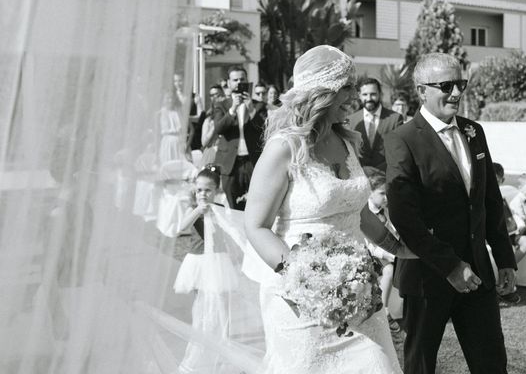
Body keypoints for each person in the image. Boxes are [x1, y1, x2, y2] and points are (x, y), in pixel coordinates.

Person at [244, 45, 406, 374]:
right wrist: (307, 281)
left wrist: (398, 248)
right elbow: (256, 226)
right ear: (323, 91)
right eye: (347, 86)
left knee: (379, 366)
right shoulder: (283, 148)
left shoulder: (346, 142)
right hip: (301, 303)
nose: (354, 95)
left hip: (359, 295)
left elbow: (358, 213)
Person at [385, 53, 517, 374]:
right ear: (421, 91)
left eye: (461, 83)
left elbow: (489, 200)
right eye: (447, 85)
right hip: (428, 277)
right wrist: (451, 267)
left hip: (478, 275)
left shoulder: (474, 131)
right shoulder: (402, 139)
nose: (457, 92)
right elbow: (405, 219)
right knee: (420, 365)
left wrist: (504, 258)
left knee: (492, 364)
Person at [170, 166, 243, 374]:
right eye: (199, 190)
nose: (203, 194)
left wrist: (235, 256)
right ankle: (199, 335)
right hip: (198, 261)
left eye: (208, 190)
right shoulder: (193, 208)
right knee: (199, 302)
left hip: (218, 260)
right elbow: (182, 227)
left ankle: (225, 342)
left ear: (216, 191)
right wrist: (197, 210)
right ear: (195, 191)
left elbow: (230, 231)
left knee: (221, 301)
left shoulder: (219, 207)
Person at [212, 66, 268, 210]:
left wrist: (252, 110)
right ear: (229, 83)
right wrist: (232, 110)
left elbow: (266, 130)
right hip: (230, 164)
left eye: (241, 79)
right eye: (235, 80)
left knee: (256, 206)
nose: (238, 82)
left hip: (252, 162)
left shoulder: (259, 105)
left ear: (247, 81)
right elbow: (218, 129)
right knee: (232, 207)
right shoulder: (221, 105)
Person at [360, 166, 405, 331]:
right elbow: (369, 244)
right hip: (372, 252)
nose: (386, 198)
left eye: (387, 193)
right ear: (370, 193)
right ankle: (385, 309)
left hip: (387, 250)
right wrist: (390, 255)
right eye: (382, 194)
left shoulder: (385, 211)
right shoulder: (366, 214)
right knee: (389, 270)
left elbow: (392, 231)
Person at [348, 78, 403, 170]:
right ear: (359, 96)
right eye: (365, 94)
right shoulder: (351, 120)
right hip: (359, 176)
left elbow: (398, 152)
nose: (369, 98)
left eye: (373, 94)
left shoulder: (395, 119)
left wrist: (377, 171)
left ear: (380, 95)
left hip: (386, 176)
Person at [199, 84, 225, 168]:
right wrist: (215, 124)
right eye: (212, 95)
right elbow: (204, 142)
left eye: (218, 94)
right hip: (212, 153)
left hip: (226, 154)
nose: (215, 97)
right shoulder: (209, 119)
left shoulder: (229, 115)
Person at [157, 90, 186, 164]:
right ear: (163, 99)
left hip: (178, 142)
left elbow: (186, 128)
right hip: (167, 142)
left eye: (172, 98)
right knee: (167, 165)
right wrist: (156, 150)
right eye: (167, 98)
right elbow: (156, 134)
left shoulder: (178, 112)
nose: (170, 100)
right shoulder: (159, 114)